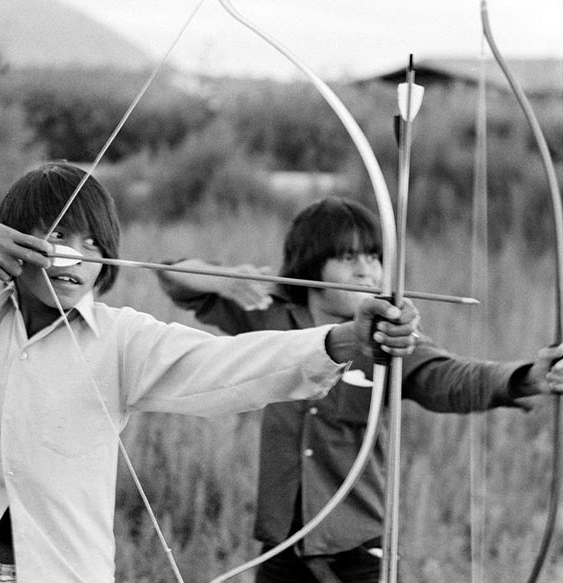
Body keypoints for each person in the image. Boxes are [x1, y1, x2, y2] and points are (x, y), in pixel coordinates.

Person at [0, 166, 419, 583]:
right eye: (57, 234)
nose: (74, 257)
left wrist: (344, 339)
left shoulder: (122, 340)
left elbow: (231, 364)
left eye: (92, 243)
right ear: (13, 237)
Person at [157, 196, 563, 583]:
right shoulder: (268, 317)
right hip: (282, 544)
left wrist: (528, 377)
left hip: (359, 551)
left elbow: (450, 378)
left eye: (373, 257)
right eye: (348, 257)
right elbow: (172, 275)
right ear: (310, 264)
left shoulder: (388, 334)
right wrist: (228, 281)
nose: (367, 272)